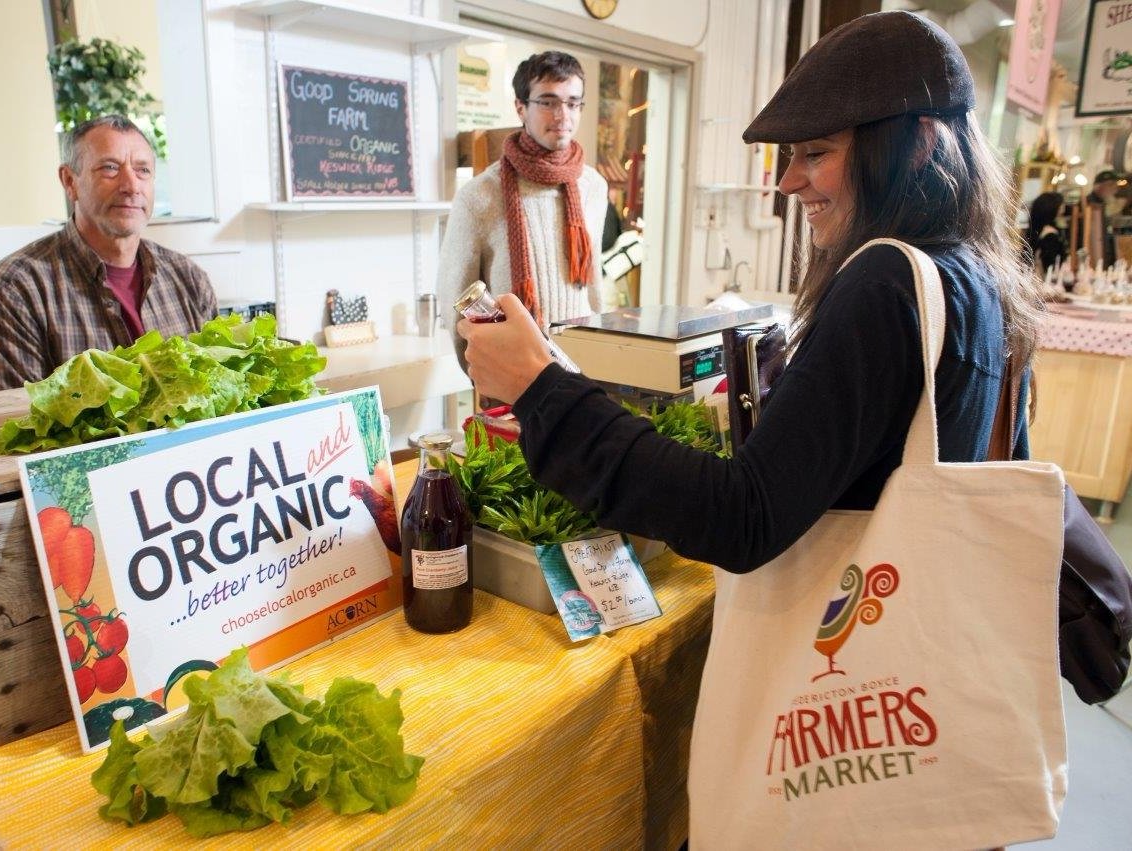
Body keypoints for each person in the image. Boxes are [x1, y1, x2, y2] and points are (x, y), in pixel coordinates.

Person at [457, 11, 1040, 575]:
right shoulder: (972, 273)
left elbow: (742, 515)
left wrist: (543, 391)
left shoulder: (886, 280)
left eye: (816, 153)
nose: (788, 182)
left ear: (917, 145)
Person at [0, 115, 217, 392]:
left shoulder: (190, 280)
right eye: (110, 168)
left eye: (143, 170)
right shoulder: (13, 289)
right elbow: (18, 422)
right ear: (69, 181)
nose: (131, 186)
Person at [437, 51, 608, 368]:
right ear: (520, 107)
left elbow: (594, 283)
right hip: (513, 375)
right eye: (548, 102)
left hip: (585, 369)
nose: (562, 115)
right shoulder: (479, 196)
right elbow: (455, 301)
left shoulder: (594, 187)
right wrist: (483, 375)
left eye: (573, 103)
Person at [1024, 191, 1067, 278]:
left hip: (1030, 277)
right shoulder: (1050, 234)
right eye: (1060, 212)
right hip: (1045, 281)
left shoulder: (1034, 230)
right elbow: (1050, 266)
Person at [1085, 168, 1120, 268]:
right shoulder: (1089, 205)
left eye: (1115, 185)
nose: (1115, 189)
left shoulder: (1102, 204)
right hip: (1092, 259)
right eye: (1111, 185)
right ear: (1098, 186)